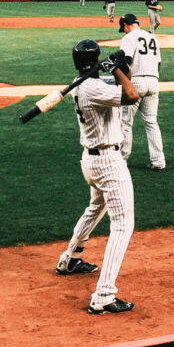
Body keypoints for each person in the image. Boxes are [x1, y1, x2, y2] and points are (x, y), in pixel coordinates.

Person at [56, 38, 139, 315]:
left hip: (91, 161)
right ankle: (103, 295)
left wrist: (120, 67)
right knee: (123, 224)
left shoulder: (82, 83)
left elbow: (119, 82)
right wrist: (116, 69)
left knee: (96, 208)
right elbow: (131, 95)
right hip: (107, 163)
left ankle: (70, 258)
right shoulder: (92, 88)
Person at [117, 13, 165, 170]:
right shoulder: (153, 38)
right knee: (151, 122)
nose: (123, 30)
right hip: (153, 81)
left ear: (126, 25)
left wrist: (124, 83)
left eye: (123, 27)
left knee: (125, 121)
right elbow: (158, 64)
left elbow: (126, 63)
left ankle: (122, 159)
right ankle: (158, 161)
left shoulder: (129, 38)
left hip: (136, 81)